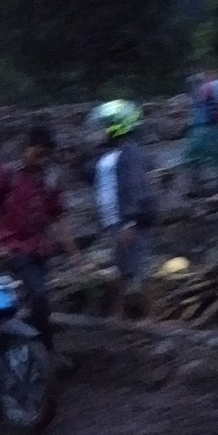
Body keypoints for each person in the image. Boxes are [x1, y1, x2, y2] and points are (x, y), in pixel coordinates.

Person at [0, 125, 77, 353]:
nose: (42, 160)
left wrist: (74, 253)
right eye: (39, 153)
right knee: (39, 295)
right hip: (14, 247)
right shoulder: (7, 174)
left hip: (40, 249)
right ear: (28, 148)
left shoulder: (50, 180)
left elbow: (57, 218)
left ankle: (29, 346)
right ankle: (44, 348)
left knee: (38, 301)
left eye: (46, 155)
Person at [90, 100, 157, 318]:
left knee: (139, 268)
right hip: (118, 221)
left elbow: (133, 187)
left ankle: (152, 315)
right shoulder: (117, 153)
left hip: (128, 221)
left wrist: (129, 222)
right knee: (123, 268)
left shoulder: (129, 154)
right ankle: (119, 313)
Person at [184, 64, 218, 196]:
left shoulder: (209, 86)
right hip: (208, 126)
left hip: (203, 127)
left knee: (195, 157)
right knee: (217, 156)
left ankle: (197, 187)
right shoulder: (215, 85)